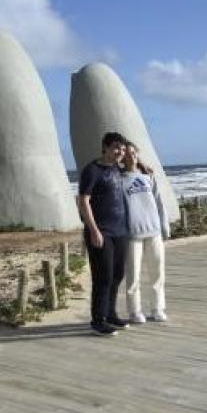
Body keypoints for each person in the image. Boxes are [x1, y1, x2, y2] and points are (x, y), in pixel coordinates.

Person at [77, 131, 132, 337]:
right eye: (116, 147)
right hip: (101, 232)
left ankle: (110, 314)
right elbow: (83, 201)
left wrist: (143, 166)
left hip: (120, 231)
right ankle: (98, 320)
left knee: (117, 275)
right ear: (105, 147)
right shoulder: (92, 170)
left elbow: (134, 161)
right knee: (103, 277)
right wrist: (93, 230)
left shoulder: (117, 168)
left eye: (123, 148)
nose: (120, 152)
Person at [120, 144, 170, 324]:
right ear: (123, 157)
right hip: (133, 234)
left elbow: (159, 203)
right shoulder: (119, 179)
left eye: (134, 153)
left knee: (157, 272)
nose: (131, 156)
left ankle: (158, 308)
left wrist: (164, 227)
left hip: (154, 231)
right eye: (128, 154)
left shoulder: (148, 177)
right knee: (133, 275)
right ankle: (135, 311)